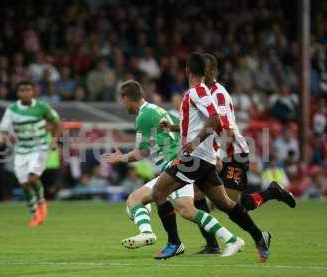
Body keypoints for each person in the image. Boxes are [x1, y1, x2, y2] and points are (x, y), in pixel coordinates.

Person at [102, 80, 244, 259]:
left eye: (122, 100)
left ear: (126, 97)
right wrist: (212, 153)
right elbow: (186, 129)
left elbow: (141, 153)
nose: (123, 105)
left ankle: (148, 233)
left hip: (174, 167)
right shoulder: (159, 111)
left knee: (134, 199)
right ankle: (231, 239)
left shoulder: (143, 116)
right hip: (182, 163)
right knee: (187, 210)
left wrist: (121, 158)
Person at [150, 52, 270, 263]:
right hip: (205, 159)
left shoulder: (197, 91)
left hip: (195, 158)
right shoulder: (204, 92)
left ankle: (174, 243)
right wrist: (173, 127)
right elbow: (205, 123)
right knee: (225, 204)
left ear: (187, 70)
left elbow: (215, 120)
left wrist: (194, 143)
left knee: (159, 191)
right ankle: (259, 237)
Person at [191, 53, 296, 254]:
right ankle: (212, 245)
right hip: (214, 153)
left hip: (233, 154)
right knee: (197, 193)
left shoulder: (218, 94)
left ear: (211, 71)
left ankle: (273, 192)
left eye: (201, 69)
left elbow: (226, 128)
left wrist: (218, 154)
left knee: (232, 205)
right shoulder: (202, 93)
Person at [0, 81, 62, 227]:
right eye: (22, 90)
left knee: (33, 178)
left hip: (39, 148)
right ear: (18, 93)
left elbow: (58, 123)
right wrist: (5, 137)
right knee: (24, 185)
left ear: (33, 92)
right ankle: (35, 214)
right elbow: (3, 130)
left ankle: (42, 204)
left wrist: (54, 140)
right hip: (21, 151)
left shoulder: (42, 107)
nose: (25, 93)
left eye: (28, 90)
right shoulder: (12, 110)